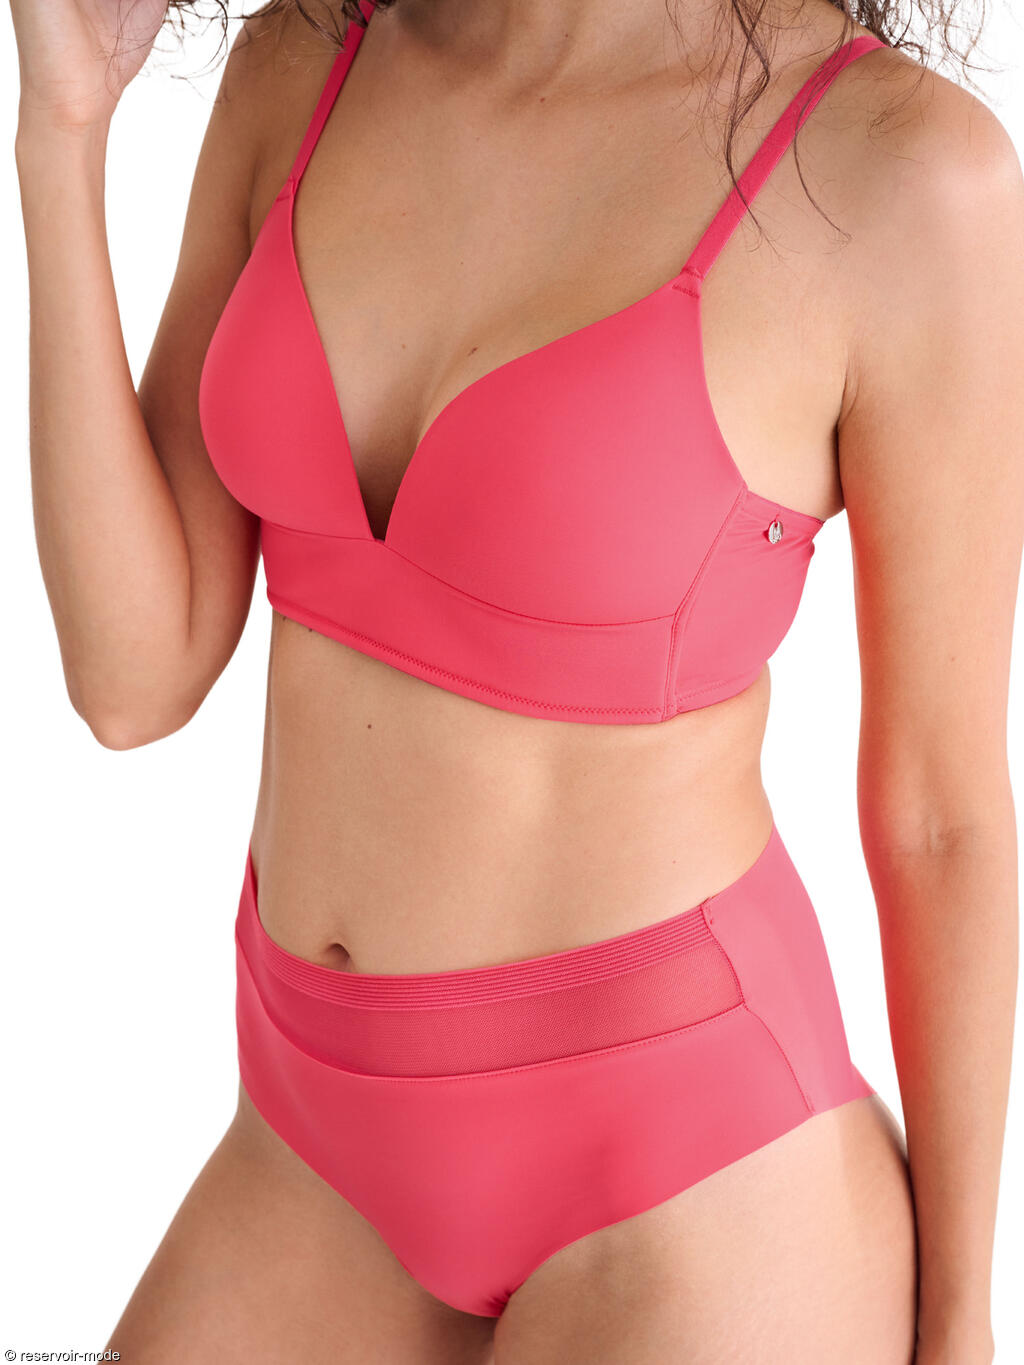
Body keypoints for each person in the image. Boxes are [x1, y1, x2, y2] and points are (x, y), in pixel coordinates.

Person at [11, 0, 1022, 1359]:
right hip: (307, 1142)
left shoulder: (898, 170)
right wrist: (62, 136)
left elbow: (939, 816)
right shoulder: (309, 59)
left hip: (691, 1180)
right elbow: (135, 677)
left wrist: (961, 1327)